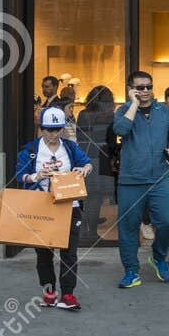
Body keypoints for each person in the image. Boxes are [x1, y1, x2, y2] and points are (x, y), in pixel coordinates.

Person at [13, 106, 93, 310]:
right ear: (42, 129)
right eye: (49, 130)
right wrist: (36, 176)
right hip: (41, 206)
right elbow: (19, 176)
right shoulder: (31, 150)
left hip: (69, 205)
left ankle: (68, 294)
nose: (54, 134)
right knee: (44, 253)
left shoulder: (70, 147)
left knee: (69, 253)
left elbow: (88, 164)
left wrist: (83, 169)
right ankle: (49, 292)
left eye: (57, 129)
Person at [112, 70, 169, 288]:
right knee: (129, 227)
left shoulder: (162, 111)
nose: (146, 91)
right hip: (131, 180)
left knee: (167, 223)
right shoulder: (123, 110)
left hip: (160, 177)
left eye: (149, 87)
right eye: (140, 87)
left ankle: (158, 257)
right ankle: (131, 271)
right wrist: (133, 104)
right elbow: (121, 130)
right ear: (131, 89)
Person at [73, 85, 117, 245]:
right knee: (95, 198)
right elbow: (112, 141)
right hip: (102, 158)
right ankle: (91, 233)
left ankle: (84, 231)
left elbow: (79, 135)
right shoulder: (109, 116)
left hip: (85, 157)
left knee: (86, 197)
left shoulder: (83, 114)